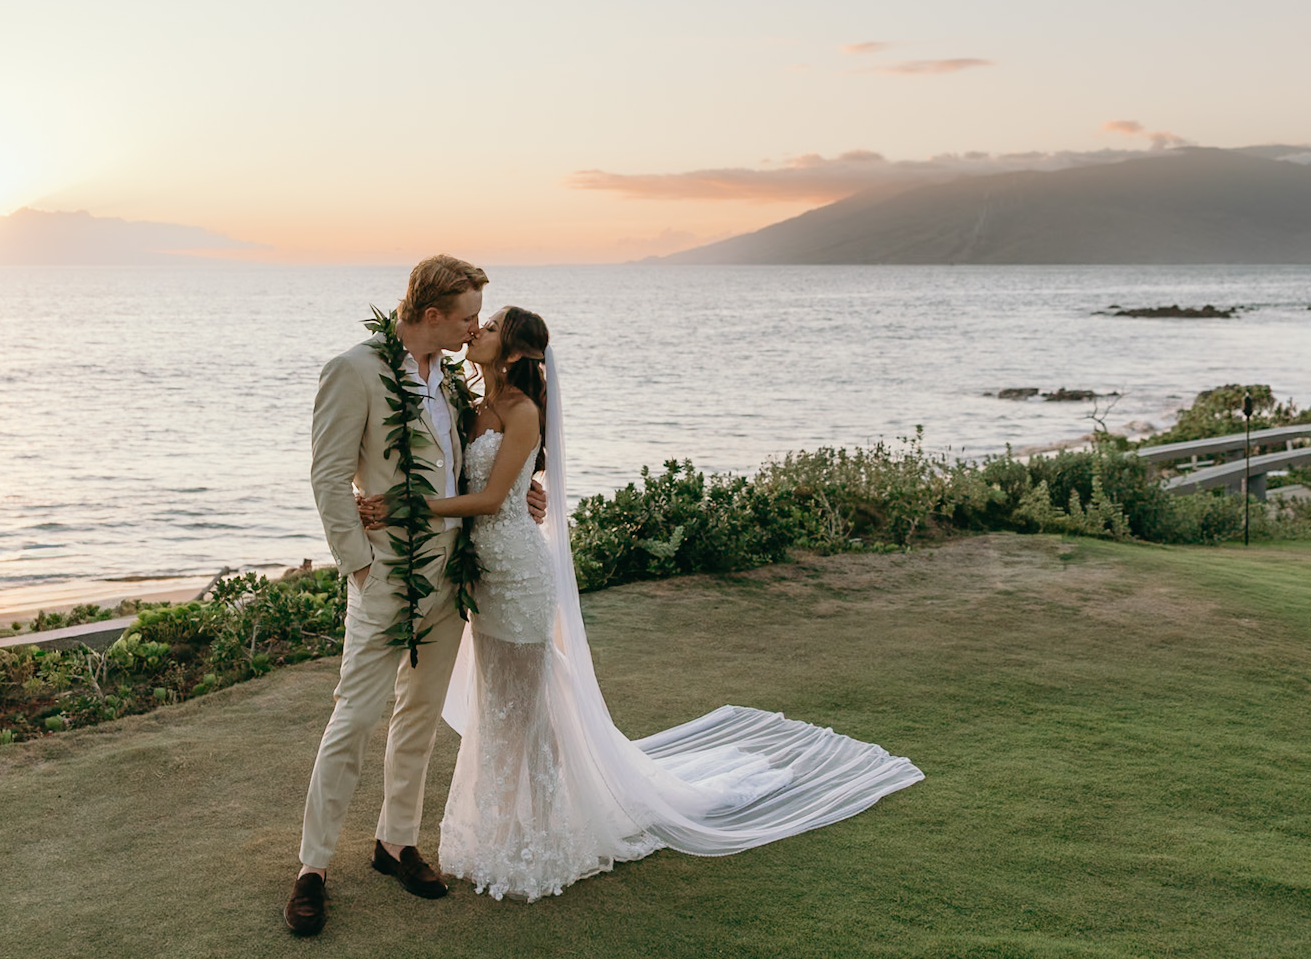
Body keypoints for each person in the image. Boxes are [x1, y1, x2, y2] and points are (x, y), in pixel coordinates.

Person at [359, 305, 924, 902]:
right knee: (498, 707)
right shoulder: (472, 407)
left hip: (520, 576)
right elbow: (476, 482)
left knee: (531, 712)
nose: (478, 331)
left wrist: (405, 507)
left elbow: (494, 497)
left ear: (517, 353)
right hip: (483, 577)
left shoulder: (524, 412)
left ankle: (544, 839)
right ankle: (495, 832)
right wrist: (524, 492)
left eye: (492, 326)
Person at [285, 256, 544, 937]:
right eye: (466, 316)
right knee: (354, 717)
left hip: (452, 580)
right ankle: (312, 867)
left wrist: (524, 492)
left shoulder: (456, 384)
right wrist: (363, 570)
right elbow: (329, 477)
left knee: (421, 717)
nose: (472, 328)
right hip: (387, 579)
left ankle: (396, 841)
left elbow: (471, 462)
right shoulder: (356, 369)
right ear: (432, 315)